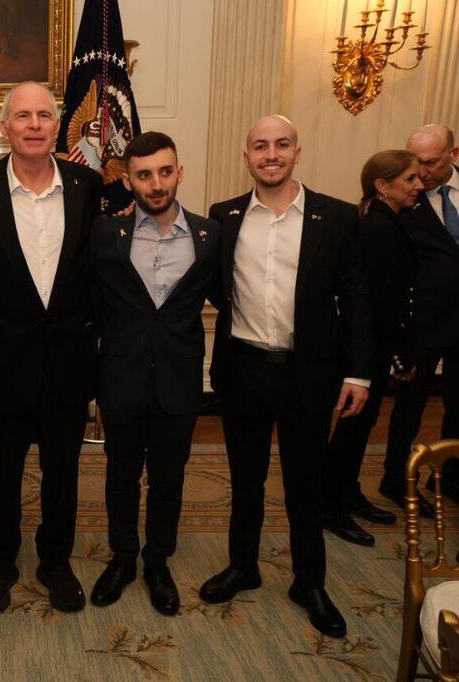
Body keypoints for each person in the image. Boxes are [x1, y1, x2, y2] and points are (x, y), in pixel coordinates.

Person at [199, 115, 374, 639]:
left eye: (280, 145)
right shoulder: (224, 216)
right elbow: (213, 284)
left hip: (309, 374)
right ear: (246, 157)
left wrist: (360, 373)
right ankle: (243, 566)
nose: (270, 154)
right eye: (259, 146)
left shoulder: (337, 217)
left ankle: (309, 581)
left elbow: (358, 299)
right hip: (244, 370)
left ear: (298, 152)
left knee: (305, 480)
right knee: (245, 478)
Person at [0, 82, 102, 613]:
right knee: (2, 471)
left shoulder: (89, 185)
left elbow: (96, 280)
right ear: (5, 128)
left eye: (44, 115)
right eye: (23, 116)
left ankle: (55, 561)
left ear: (57, 125)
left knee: (63, 471)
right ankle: (1, 560)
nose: (35, 124)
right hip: (2, 365)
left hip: (68, 363)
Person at [88, 132, 220, 616]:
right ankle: (122, 559)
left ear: (179, 171)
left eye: (165, 172)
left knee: (169, 477)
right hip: (120, 378)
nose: (156, 183)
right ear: (129, 180)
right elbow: (90, 302)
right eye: (144, 174)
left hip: (180, 382)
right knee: (121, 475)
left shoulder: (210, 236)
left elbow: (231, 299)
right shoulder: (106, 232)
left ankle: (157, 562)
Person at [323, 150, 423, 546]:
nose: (418, 186)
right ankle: (330, 505)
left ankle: (347, 495)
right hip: (368, 350)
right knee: (350, 430)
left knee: (359, 428)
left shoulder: (386, 221)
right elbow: (379, 301)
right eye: (410, 179)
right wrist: (397, 354)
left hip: (373, 349)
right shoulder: (379, 229)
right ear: (383, 186)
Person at [382, 125, 459, 509]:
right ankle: (395, 478)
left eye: (430, 162)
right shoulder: (405, 199)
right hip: (423, 323)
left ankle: (450, 477)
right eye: (416, 162)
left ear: (453, 155)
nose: (422, 172)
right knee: (409, 408)